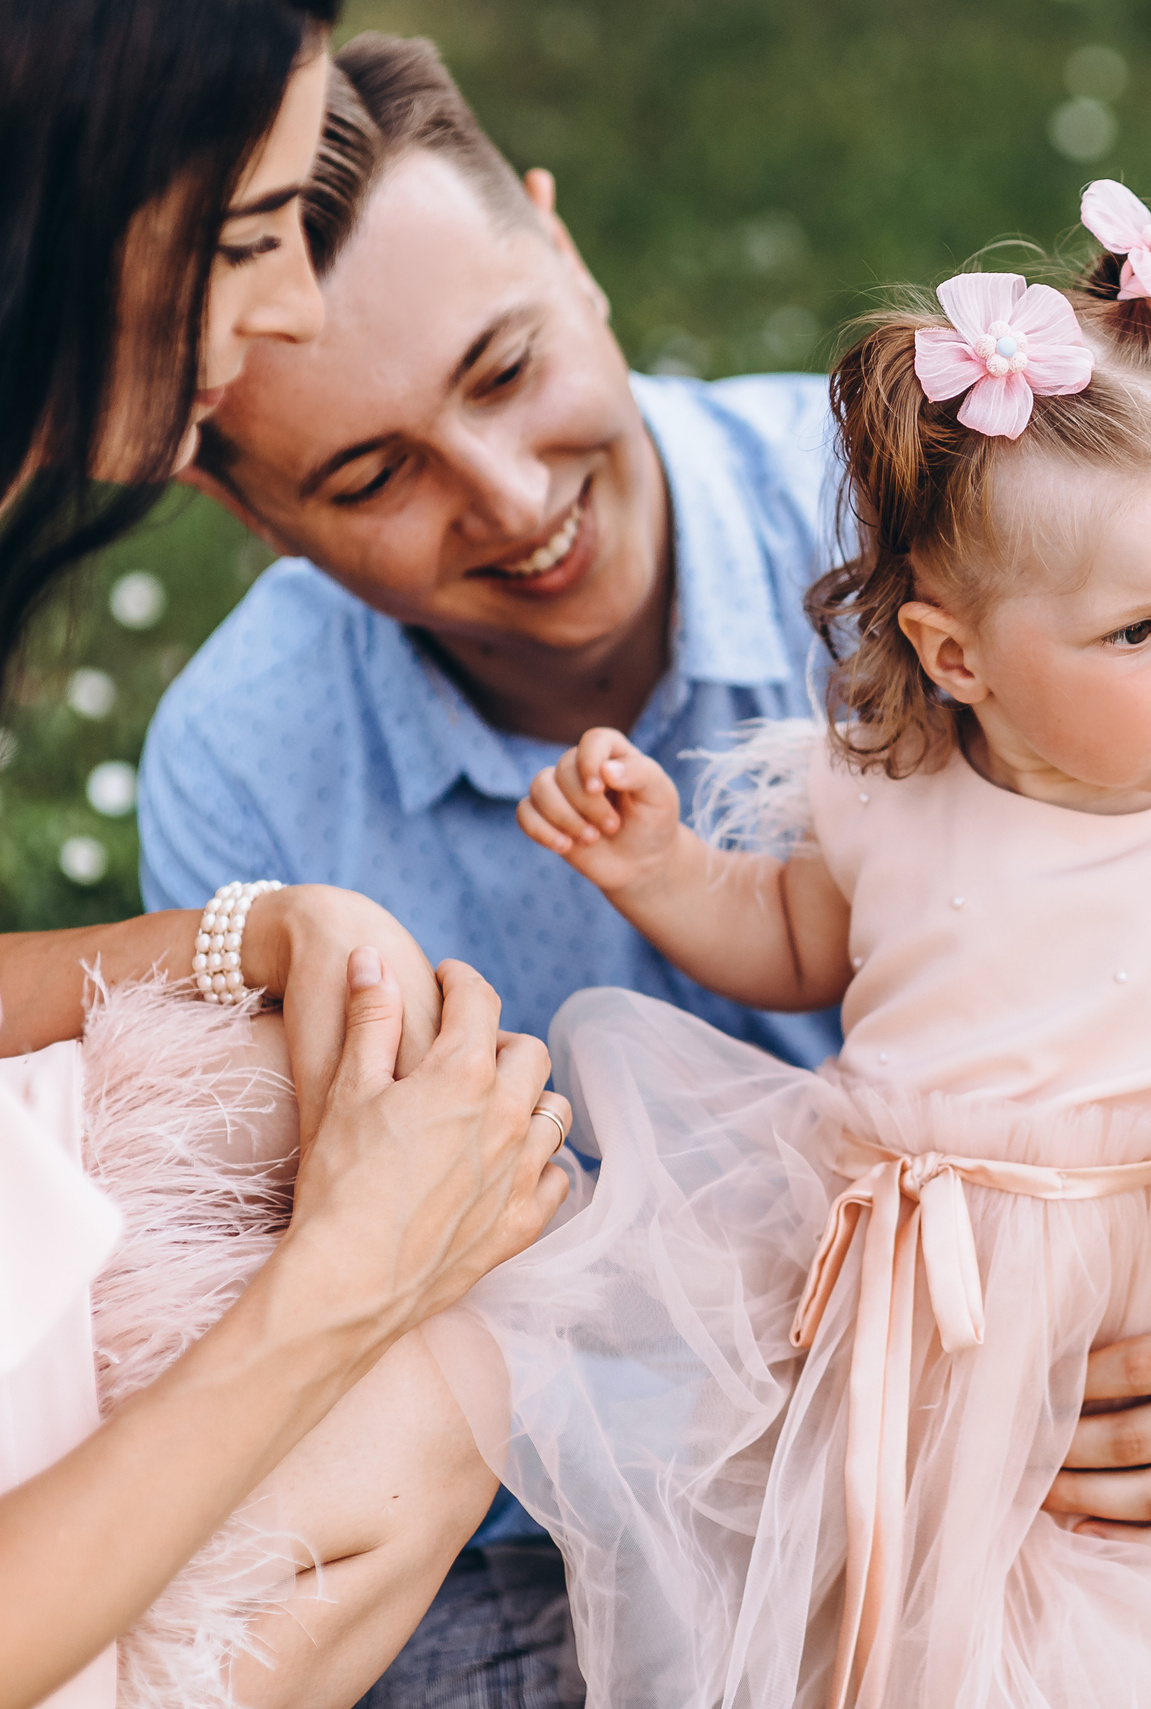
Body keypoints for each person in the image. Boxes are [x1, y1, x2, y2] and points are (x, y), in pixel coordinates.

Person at [145, 35, 1151, 1709]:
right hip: (629, 1499)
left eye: (504, 370)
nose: (510, 497)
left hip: (1121, 1392)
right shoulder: (243, 764)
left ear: (565, 248)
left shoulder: (1017, 500)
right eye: (369, 472)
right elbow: (295, 1312)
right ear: (239, 499)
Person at [477, 200, 1151, 1708]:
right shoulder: (877, 794)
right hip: (903, 1337)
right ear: (956, 655)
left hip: (1133, 1350)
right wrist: (663, 867)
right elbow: (797, 939)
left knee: (1116, 1640)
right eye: (1137, 631)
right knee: (874, 1631)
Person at [0, 5, 571, 1708]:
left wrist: (238, 932)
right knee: (425, 1324)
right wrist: (346, 1275)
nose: (290, 311)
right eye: (250, 238)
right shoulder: (253, 728)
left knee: (328, 1140)